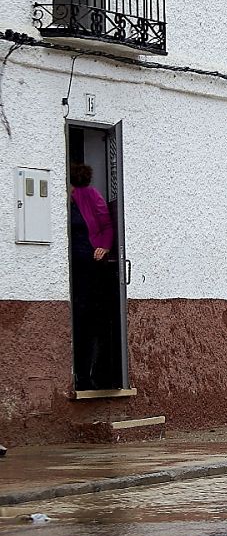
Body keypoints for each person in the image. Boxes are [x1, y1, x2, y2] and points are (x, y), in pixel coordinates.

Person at [68, 163, 116, 389]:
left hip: (90, 267)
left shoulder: (90, 195)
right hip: (73, 270)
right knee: (78, 320)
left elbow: (107, 226)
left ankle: (88, 376)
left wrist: (104, 247)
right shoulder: (67, 199)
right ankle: (81, 375)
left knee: (88, 321)